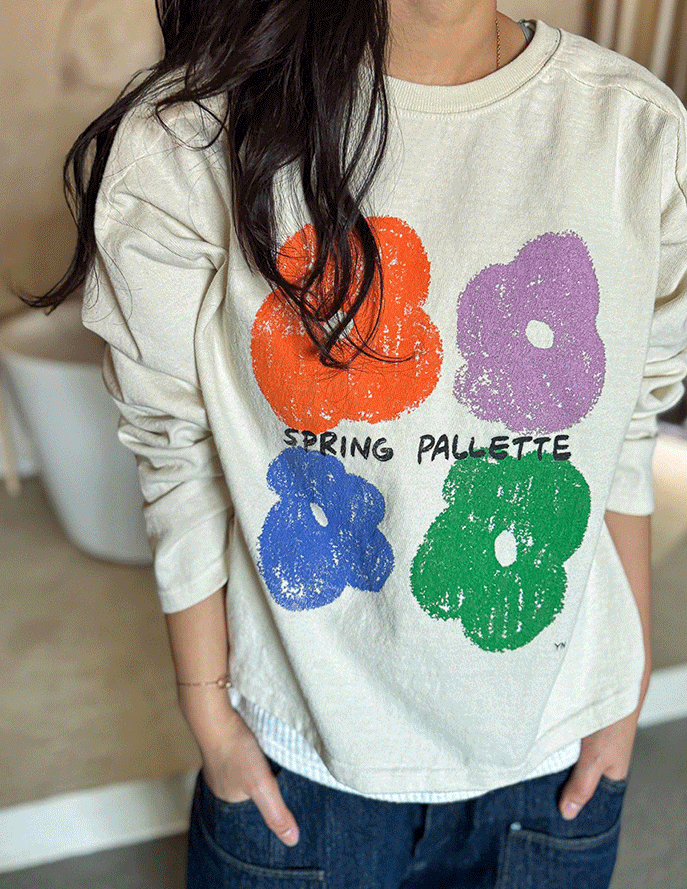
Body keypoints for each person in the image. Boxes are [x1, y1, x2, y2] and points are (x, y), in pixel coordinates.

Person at [23, 1, 687, 886]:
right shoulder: (192, 137)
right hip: (297, 771)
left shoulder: (636, 130)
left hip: (554, 764)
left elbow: (627, 426)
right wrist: (209, 714)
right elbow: (173, 444)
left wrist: (625, 685)